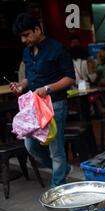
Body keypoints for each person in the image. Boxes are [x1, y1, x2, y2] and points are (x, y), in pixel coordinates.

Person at [10, 13, 75, 187]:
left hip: (55, 105)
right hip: (35, 106)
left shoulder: (57, 48)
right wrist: (22, 85)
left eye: (26, 35)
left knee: (56, 150)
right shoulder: (27, 51)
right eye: (21, 37)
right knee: (30, 146)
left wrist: (47, 89)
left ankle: (58, 187)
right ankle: (62, 170)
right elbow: (30, 77)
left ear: (37, 29)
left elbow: (70, 78)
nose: (24, 40)